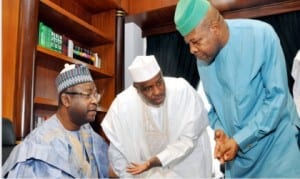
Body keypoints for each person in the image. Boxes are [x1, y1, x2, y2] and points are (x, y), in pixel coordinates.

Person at [174, 0, 300, 178]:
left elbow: (277, 100)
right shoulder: (202, 57)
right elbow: (215, 109)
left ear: (215, 27)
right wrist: (221, 133)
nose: (192, 50)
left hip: (277, 154)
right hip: (239, 162)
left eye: (195, 41)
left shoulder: (261, 36)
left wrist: (239, 141)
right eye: (188, 43)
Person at [101, 55, 212, 178]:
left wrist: (155, 161)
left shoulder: (181, 90)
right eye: (148, 88)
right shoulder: (122, 105)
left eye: (159, 82)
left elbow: (189, 137)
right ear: (136, 89)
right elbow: (118, 154)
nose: (157, 91)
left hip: (187, 169)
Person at [2, 63, 109, 178]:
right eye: (88, 94)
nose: (95, 101)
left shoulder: (86, 130)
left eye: (96, 94)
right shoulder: (40, 146)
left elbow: (106, 167)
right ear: (66, 100)